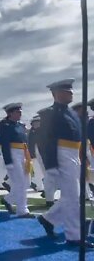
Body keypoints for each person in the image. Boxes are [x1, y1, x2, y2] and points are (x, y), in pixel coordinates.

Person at [37, 78, 94, 248]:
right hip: (61, 154)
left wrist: (82, 157)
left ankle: (48, 219)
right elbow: (46, 141)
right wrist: (51, 166)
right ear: (56, 94)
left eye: (71, 91)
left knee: (73, 195)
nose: (70, 93)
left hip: (73, 155)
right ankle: (73, 236)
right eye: (66, 91)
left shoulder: (71, 114)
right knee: (72, 197)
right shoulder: (49, 114)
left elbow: (79, 139)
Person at [0, 103, 35, 218]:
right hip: (13, 153)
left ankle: (7, 199)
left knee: (27, 182)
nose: (20, 113)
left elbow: (25, 142)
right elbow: (5, 144)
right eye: (17, 112)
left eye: (20, 111)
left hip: (23, 153)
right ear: (10, 113)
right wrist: (8, 161)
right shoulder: (5, 125)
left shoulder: (20, 125)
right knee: (20, 183)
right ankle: (22, 210)